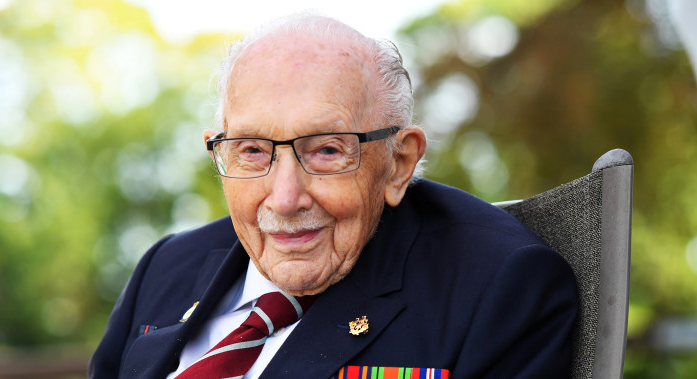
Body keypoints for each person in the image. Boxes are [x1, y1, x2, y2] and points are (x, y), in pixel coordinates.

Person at [89, 13, 577, 379]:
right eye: (253, 150)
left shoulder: (498, 286)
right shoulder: (164, 268)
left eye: (325, 150)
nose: (284, 199)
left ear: (399, 163)